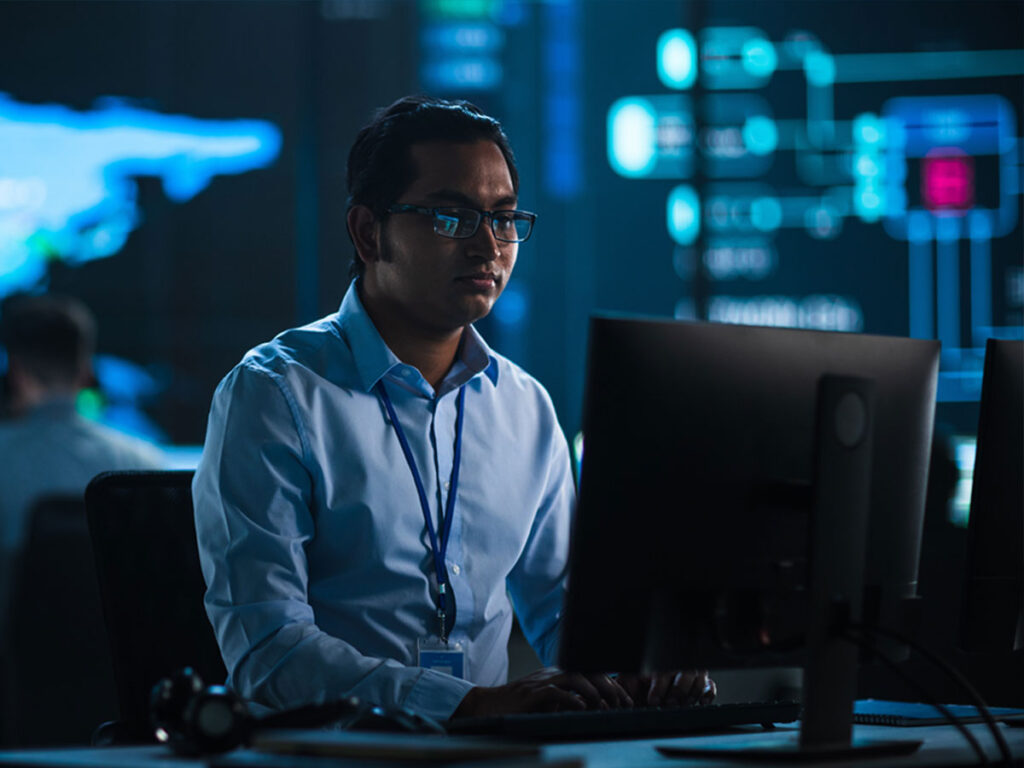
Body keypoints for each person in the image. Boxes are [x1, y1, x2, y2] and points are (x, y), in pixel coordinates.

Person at [193, 95, 714, 722]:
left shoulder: (524, 406)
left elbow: (570, 616)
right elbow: (267, 652)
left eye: (503, 218)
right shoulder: (276, 393)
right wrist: (463, 706)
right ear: (367, 232)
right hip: (331, 756)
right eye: (451, 217)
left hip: (492, 756)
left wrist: (643, 667)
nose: (488, 246)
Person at [0, 293, 163, 632]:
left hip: (15, 669)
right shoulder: (142, 464)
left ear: (15, 371)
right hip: (114, 666)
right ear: (87, 369)